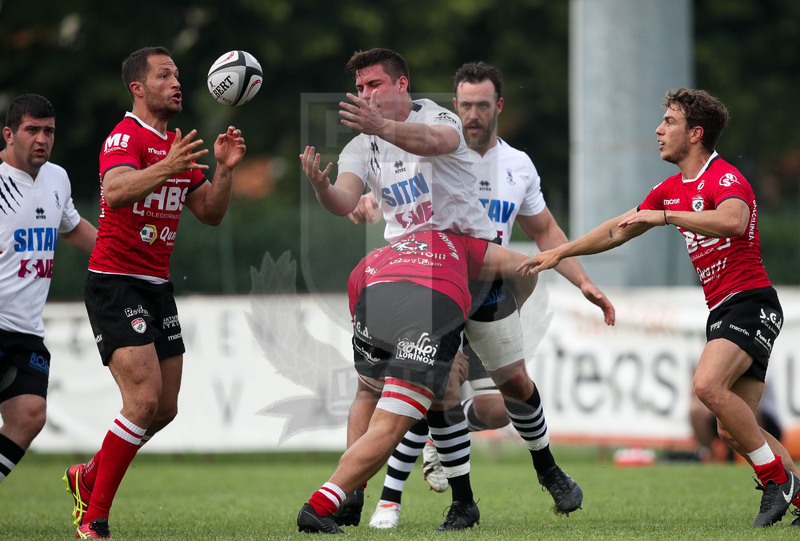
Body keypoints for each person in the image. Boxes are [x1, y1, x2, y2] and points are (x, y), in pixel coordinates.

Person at [518, 87, 800, 528]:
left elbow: (734, 221)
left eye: (669, 121)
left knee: (707, 386)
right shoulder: (671, 188)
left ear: (695, 133)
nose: (658, 130)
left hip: (750, 301)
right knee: (731, 427)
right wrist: (561, 252)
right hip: (726, 307)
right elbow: (618, 229)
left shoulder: (724, 178)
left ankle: (774, 481)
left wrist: (665, 217)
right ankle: (797, 490)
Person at [351, 61, 616, 529]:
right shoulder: (428, 141)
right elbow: (390, 182)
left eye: (483, 105)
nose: (473, 113)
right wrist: (370, 198)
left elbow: (546, 231)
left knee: (504, 397)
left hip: (489, 288)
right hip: (432, 283)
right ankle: (432, 502)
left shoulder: (517, 165)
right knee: (436, 389)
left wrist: (584, 280)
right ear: (453, 106)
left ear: (499, 107)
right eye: (466, 104)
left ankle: (547, 468)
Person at [299, 47, 500, 532]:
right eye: (361, 87)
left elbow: (432, 141)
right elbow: (346, 196)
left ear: (402, 85)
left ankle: (536, 469)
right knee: (380, 390)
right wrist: (325, 190)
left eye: (375, 85)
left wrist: (381, 127)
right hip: (406, 274)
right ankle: (367, 497)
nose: (365, 94)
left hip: (466, 262)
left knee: (499, 400)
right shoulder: (360, 145)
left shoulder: (436, 117)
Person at [61, 46, 246, 539]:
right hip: (114, 280)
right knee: (142, 401)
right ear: (138, 89)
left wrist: (224, 169)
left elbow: (209, 212)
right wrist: (169, 164)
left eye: (178, 75)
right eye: (164, 75)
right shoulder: (126, 137)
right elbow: (116, 192)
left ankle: (88, 476)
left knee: (164, 409)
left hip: (156, 286)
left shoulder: (175, 144)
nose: (176, 82)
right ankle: (94, 519)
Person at [296, 228, 539, 534]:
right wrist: (513, 312)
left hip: (371, 288)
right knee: (395, 422)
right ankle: (319, 506)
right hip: (431, 304)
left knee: (368, 393)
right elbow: (525, 265)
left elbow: (358, 291)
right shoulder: (469, 242)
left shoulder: (393, 245)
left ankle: (357, 491)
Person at [0, 94, 97, 487]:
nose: (42, 138)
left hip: (25, 328)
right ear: (9, 134)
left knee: (29, 415)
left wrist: (126, 256)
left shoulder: (57, 177)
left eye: (49, 131)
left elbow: (73, 228)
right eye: (32, 130)